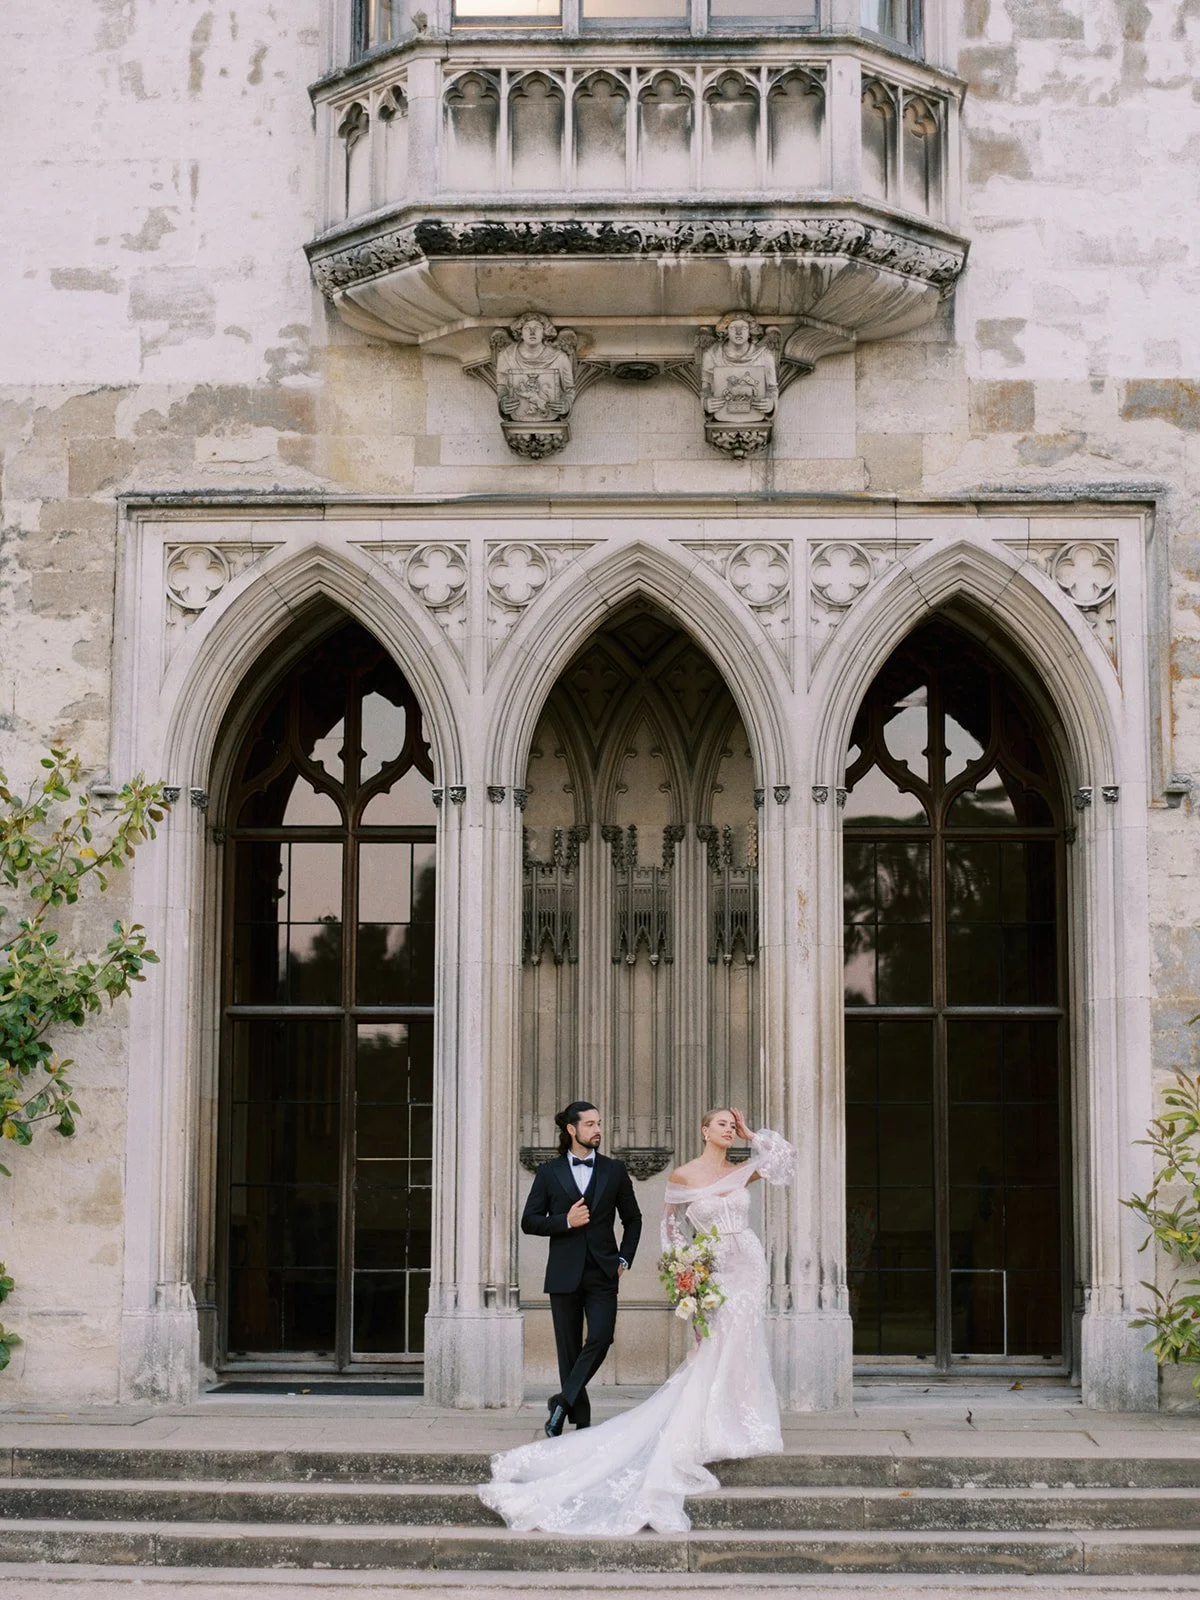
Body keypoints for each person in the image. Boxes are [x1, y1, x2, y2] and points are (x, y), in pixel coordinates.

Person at [479, 1106, 795, 1534]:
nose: (727, 1128)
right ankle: (576, 1410)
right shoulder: (679, 1176)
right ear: (703, 1130)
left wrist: (750, 1132)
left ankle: (739, 1421)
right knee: (585, 1347)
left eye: (730, 1124)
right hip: (686, 1270)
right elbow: (670, 1231)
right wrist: (687, 1274)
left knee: (739, 1340)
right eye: (721, 1122)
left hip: (744, 1267)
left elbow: (781, 1159)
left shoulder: (736, 1169)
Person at [518, 1100, 642, 1437]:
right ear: (571, 1129)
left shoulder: (614, 1170)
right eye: (589, 1124)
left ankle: (560, 1402)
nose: (597, 1129)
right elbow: (529, 1221)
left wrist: (623, 1259)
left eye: (599, 1123)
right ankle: (578, 1417)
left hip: (603, 1271)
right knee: (569, 1349)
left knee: (601, 1337)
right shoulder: (548, 1173)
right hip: (564, 1271)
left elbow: (633, 1219)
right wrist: (565, 1221)